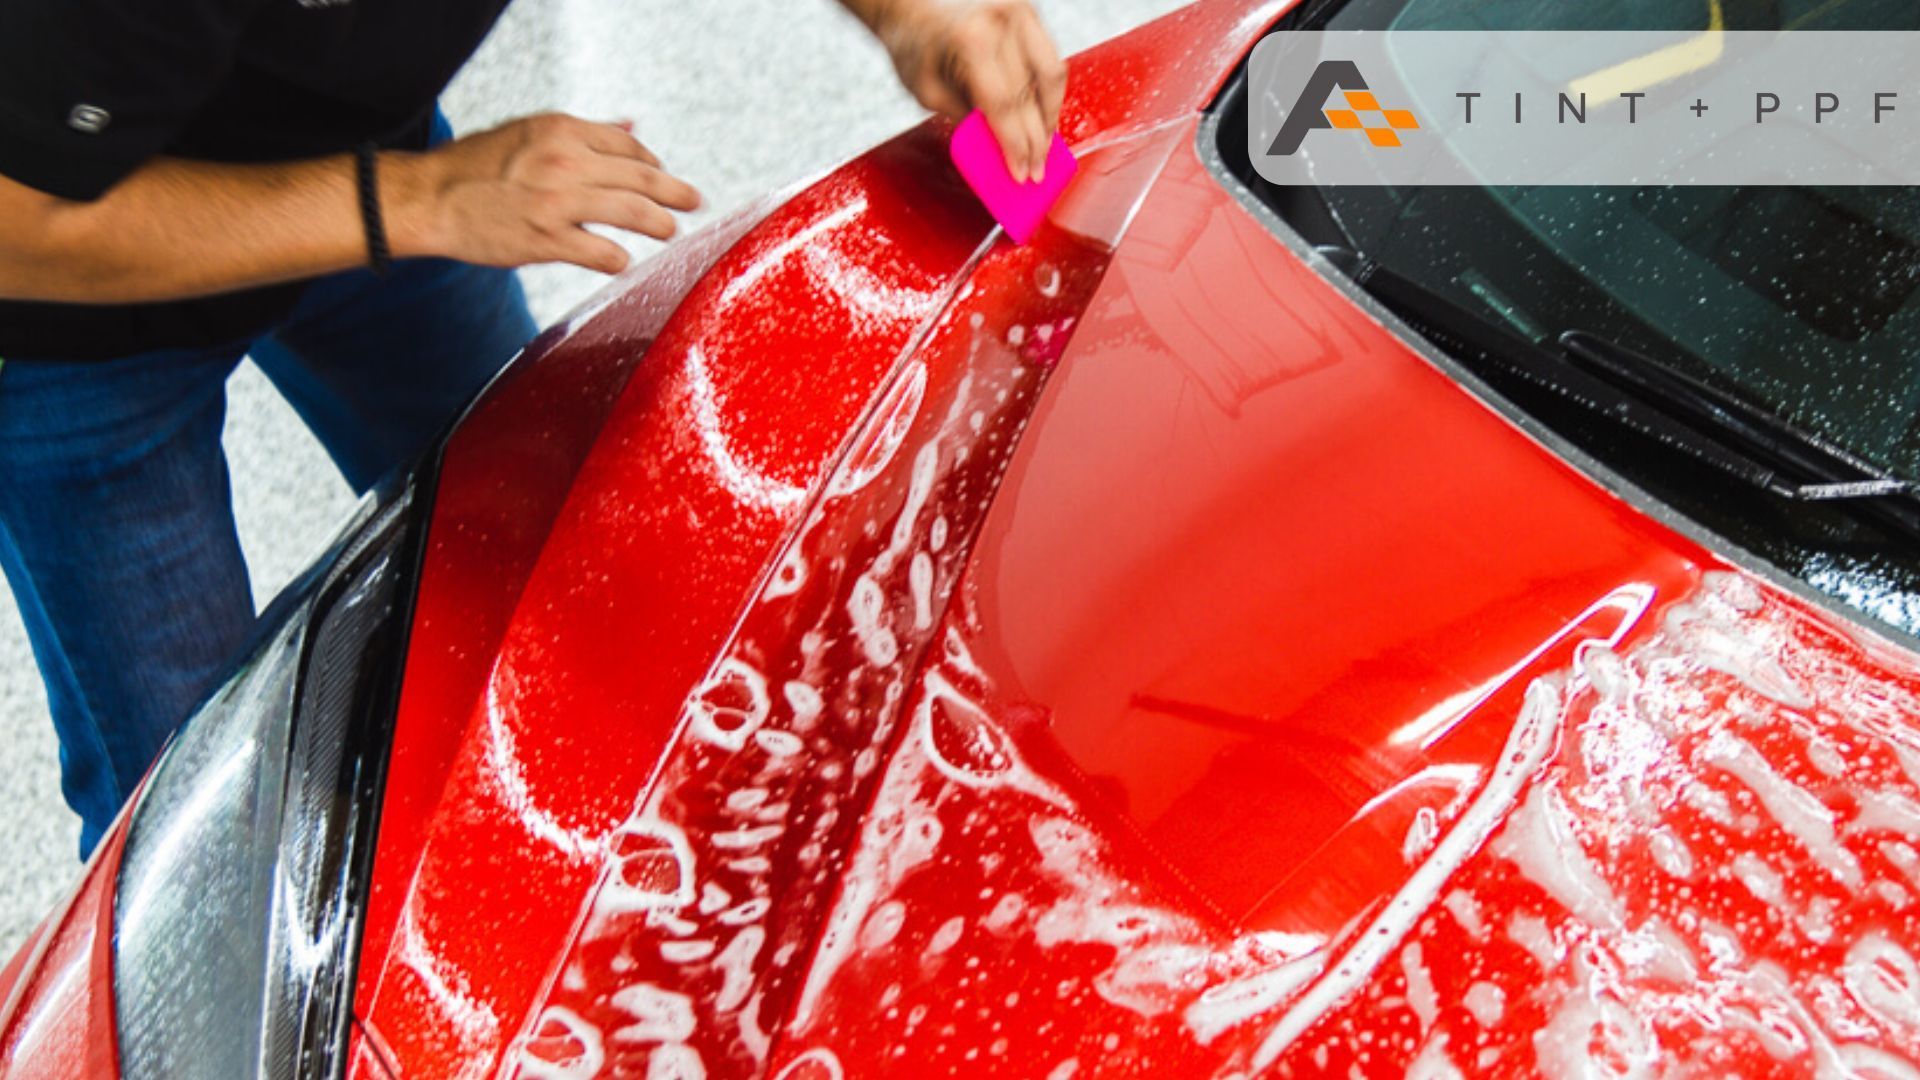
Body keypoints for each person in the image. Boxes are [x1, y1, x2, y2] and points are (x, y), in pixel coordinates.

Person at [0, 0, 1068, 856]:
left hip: (351, 136)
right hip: (67, 308)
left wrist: (910, 10)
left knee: (554, 536)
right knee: (182, 818)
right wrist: (414, 203)